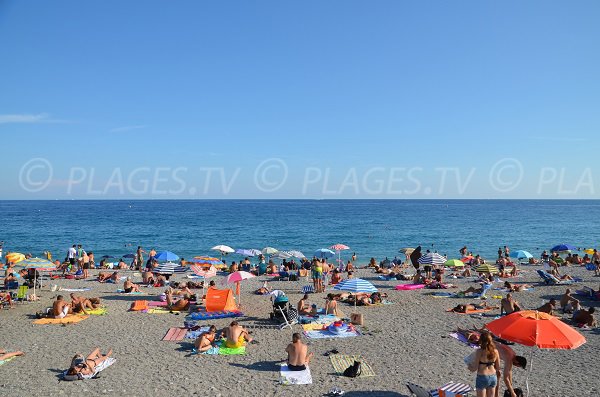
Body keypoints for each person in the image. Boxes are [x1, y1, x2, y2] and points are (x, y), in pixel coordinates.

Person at [468, 332, 500, 397]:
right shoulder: (495, 351)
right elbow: (498, 367)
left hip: (482, 377)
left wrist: (469, 366)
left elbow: (474, 368)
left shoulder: (479, 351)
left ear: (481, 340)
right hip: (493, 377)